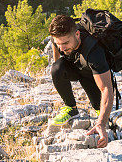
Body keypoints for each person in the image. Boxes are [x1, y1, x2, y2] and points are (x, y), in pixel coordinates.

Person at [48, 14, 113, 148]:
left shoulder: (94, 51)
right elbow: (57, 47)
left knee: (99, 108)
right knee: (56, 69)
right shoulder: (60, 40)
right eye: (59, 43)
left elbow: (106, 88)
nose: (62, 48)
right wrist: (59, 71)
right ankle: (71, 108)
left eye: (65, 43)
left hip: (90, 73)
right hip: (75, 64)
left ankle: (99, 112)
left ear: (77, 34)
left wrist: (100, 123)